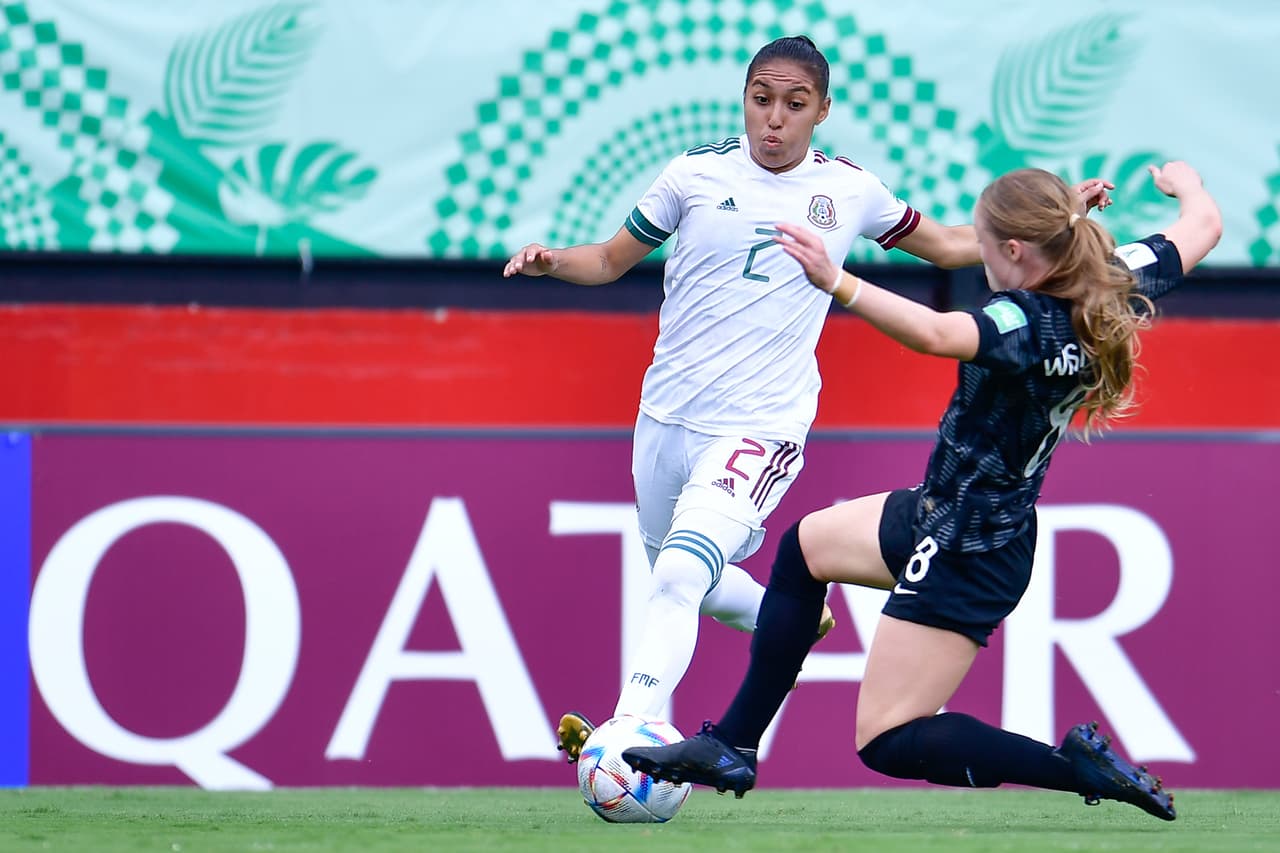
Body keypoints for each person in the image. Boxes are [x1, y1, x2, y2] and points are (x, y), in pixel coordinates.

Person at [503, 35, 1109, 764]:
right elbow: (605, 259)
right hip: (665, 417)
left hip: (762, 422)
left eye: (794, 105)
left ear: (822, 109)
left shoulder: (849, 190)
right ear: (745, 100)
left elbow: (951, 247)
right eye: (762, 100)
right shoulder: (692, 174)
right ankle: (779, 613)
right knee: (680, 570)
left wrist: (1054, 216)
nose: (774, 120)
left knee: (678, 574)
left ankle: (627, 727)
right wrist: (550, 263)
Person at [623, 161, 1222, 822]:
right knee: (807, 546)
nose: (981, 258)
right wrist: (1186, 186)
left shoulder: (1023, 322)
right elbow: (1204, 225)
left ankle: (1069, 764)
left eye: (986, 246)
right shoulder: (1115, 277)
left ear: (1017, 252)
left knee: (886, 737)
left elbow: (937, 335)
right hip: (952, 510)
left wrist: (838, 280)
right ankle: (733, 742)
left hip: (969, 545)